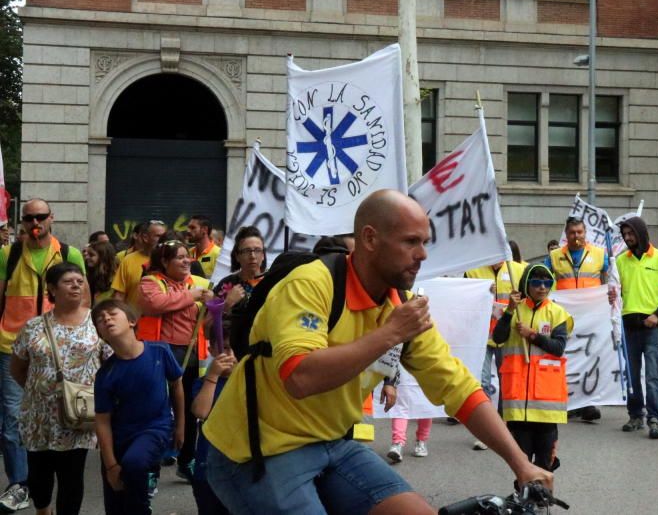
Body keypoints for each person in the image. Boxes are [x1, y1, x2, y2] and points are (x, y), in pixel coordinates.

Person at [202, 190, 552, 514]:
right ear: (370, 239)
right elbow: (300, 376)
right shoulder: (311, 284)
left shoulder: (401, 306)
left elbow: (458, 387)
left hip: (331, 443)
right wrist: (389, 334)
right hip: (256, 452)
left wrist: (520, 463)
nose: (423, 254)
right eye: (410, 242)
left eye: (425, 242)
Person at [0, 198, 88, 511]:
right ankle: (19, 484)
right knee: (13, 419)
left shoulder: (68, 253)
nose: (35, 223)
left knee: (65, 415)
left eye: (40, 216)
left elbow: (84, 298)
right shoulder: (8, 254)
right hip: (13, 345)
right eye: (29, 218)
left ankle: (46, 481)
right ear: (21, 221)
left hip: (64, 347)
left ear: (51, 218)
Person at [10, 263, 109, 515]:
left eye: (79, 280)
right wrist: (40, 392)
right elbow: (17, 368)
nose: (76, 285)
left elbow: (112, 365)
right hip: (39, 415)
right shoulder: (33, 327)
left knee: (72, 476)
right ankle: (43, 510)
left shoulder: (97, 322)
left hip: (79, 414)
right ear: (52, 289)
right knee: (39, 475)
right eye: (68, 281)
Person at [92, 299, 184, 515]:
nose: (106, 319)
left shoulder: (160, 351)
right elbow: (102, 421)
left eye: (112, 314)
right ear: (100, 334)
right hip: (120, 438)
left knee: (134, 463)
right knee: (116, 504)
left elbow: (177, 385)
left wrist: (180, 426)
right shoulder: (105, 374)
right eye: (100, 320)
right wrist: (111, 466)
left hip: (155, 428)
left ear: (132, 321)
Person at [137, 237, 214, 483]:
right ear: (164, 262)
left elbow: (213, 316)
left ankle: (187, 459)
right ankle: (152, 466)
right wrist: (191, 296)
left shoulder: (201, 283)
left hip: (192, 356)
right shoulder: (150, 282)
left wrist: (217, 303)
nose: (186, 261)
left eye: (186, 256)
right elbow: (155, 304)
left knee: (191, 412)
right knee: (159, 410)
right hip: (160, 354)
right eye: (179, 257)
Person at [492, 263, 572, 470]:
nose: (542, 287)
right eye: (536, 283)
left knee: (545, 461)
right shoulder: (514, 310)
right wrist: (509, 311)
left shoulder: (557, 313)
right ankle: (522, 496)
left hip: (546, 402)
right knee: (521, 461)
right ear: (526, 284)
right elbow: (498, 338)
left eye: (547, 283)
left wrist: (533, 335)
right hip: (518, 402)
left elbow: (558, 348)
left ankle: (542, 497)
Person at [612, 217, 658, 440]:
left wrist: (657, 315)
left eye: (631, 234)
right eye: (624, 235)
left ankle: (654, 417)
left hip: (652, 327)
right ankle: (635, 415)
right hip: (628, 326)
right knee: (631, 375)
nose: (627, 238)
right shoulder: (621, 261)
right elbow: (617, 293)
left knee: (652, 375)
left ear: (641, 233)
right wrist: (612, 295)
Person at [545, 218, 610, 422]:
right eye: (572, 232)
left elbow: (609, 281)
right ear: (567, 233)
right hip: (564, 316)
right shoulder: (554, 256)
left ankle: (587, 403)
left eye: (580, 232)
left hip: (592, 315)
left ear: (585, 233)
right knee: (566, 357)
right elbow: (546, 282)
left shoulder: (600, 255)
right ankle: (567, 401)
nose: (576, 236)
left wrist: (609, 300)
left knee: (590, 357)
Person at [464, 259, 527, 449]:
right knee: (481, 383)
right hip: (481, 336)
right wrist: (481, 294)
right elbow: (464, 300)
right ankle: (487, 432)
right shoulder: (473, 270)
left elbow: (528, 300)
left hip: (507, 335)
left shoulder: (519, 269)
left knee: (506, 381)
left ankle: (504, 428)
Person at [191, 346, 237, 515]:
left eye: (233, 349)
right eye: (223, 349)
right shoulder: (204, 382)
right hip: (207, 467)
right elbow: (201, 411)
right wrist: (212, 375)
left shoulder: (247, 379)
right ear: (211, 350)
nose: (229, 355)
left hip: (239, 469)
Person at [109, 221, 166, 308]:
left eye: (164, 237)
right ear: (145, 237)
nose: (163, 240)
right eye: (158, 236)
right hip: (134, 319)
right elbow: (119, 295)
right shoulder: (128, 260)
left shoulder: (169, 261)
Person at [212, 227, 266, 315]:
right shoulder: (226, 284)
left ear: (263, 255)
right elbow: (208, 323)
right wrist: (227, 304)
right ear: (237, 256)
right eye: (247, 251)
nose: (252, 256)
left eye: (257, 250)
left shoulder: (273, 283)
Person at [84, 241, 119, 306]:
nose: (86, 257)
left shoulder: (115, 277)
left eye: (91, 255)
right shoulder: (89, 274)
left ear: (103, 257)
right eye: (87, 254)